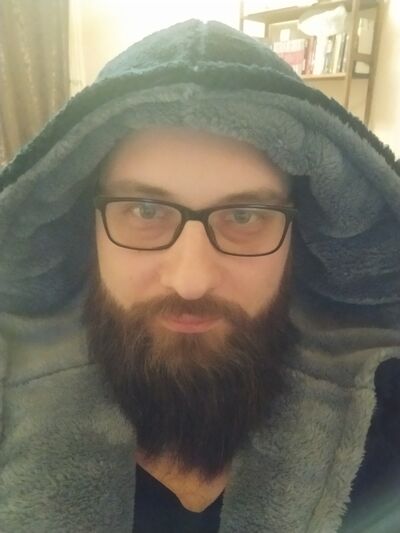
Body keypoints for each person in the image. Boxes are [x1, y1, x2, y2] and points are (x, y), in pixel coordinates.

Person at [0, 19, 399, 533]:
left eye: (244, 217)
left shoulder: (382, 413)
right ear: (86, 229)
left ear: (300, 238)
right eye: (145, 211)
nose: (191, 281)